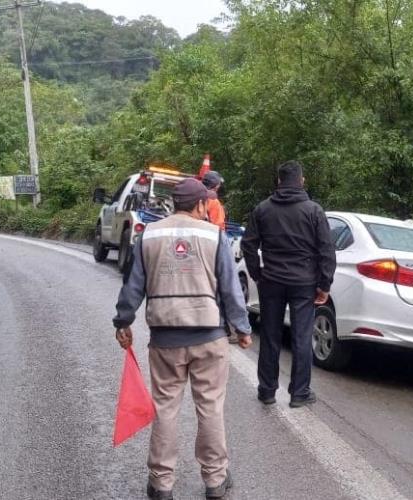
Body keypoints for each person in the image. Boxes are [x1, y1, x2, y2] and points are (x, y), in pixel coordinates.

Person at [113, 178, 253, 500]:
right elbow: (231, 289)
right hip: (209, 337)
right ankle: (216, 481)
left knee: (165, 409)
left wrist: (123, 320)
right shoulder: (214, 235)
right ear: (202, 205)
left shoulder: (150, 234)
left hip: (165, 339)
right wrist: (242, 329)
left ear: (174, 204)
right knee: (210, 408)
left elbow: (132, 285)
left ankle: (161, 484)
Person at [240, 160, 336, 408]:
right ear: (301, 181)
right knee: (302, 337)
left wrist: (256, 272)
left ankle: (267, 390)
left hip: (271, 280)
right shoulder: (314, 211)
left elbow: (248, 244)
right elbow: (326, 250)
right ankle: (299, 392)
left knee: (270, 335)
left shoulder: (262, 209)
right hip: (304, 283)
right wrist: (324, 285)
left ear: (279, 181)